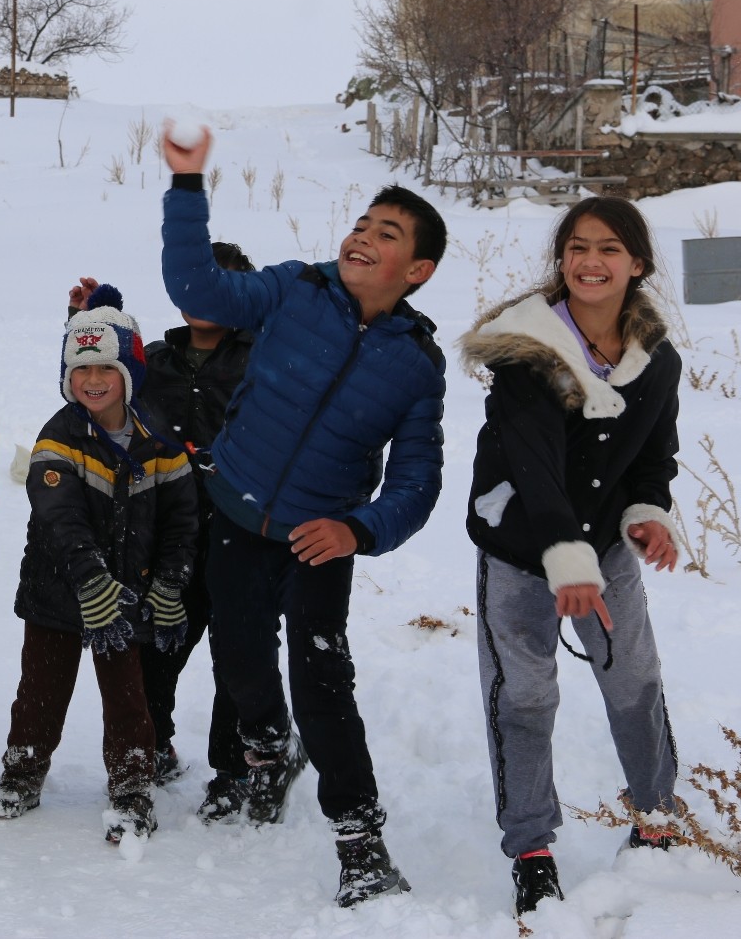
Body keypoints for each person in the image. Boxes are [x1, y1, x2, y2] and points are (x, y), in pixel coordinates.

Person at [159, 124, 447, 907]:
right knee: (241, 660)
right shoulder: (294, 288)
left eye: (386, 234)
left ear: (415, 270)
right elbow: (198, 289)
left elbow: (419, 478)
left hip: (320, 539)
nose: (362, 237)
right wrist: (188, 186)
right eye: (361, 223)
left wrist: (359, 529)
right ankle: (263, 753)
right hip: (234, 511)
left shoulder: (417, 365)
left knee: (322, 686)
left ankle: (362, 847)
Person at [459, 196, 682, 916]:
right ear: (562, 259)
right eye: (578, 246)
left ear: (637, 264)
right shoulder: (526, 352)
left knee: (635, 682)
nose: (590, 261)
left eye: (609, 249)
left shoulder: (656, 359)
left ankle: (656, 817)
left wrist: (648, 513)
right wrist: (565, 556)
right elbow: (534, 465)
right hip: (522, 548)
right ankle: (531, 848)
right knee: (523, 696)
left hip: (605, 554)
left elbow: (655, 456)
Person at [0, 294, 197, 842]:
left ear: (129, 373)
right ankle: (23, 772)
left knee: (129, 698)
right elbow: (61, 522)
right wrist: (90, 580)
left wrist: (170, 582)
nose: (94, 380)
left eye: (107, 367)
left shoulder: (159, 441)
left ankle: (131, 788)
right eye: (81, 370)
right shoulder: (58, 440)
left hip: (127, 597)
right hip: (60, 592)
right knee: (40, 690)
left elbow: (181, 520)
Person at [65, 258, 256, 822]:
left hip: (238, 532)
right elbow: (97, 375)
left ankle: (233, 767)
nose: (202, 296)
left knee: (236, 655)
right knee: (156, 643)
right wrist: (91, 317)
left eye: (219, 288)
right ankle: (156, 743)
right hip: (165, 531)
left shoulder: (260, 358)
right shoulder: (161, 362)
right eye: (194, 284)